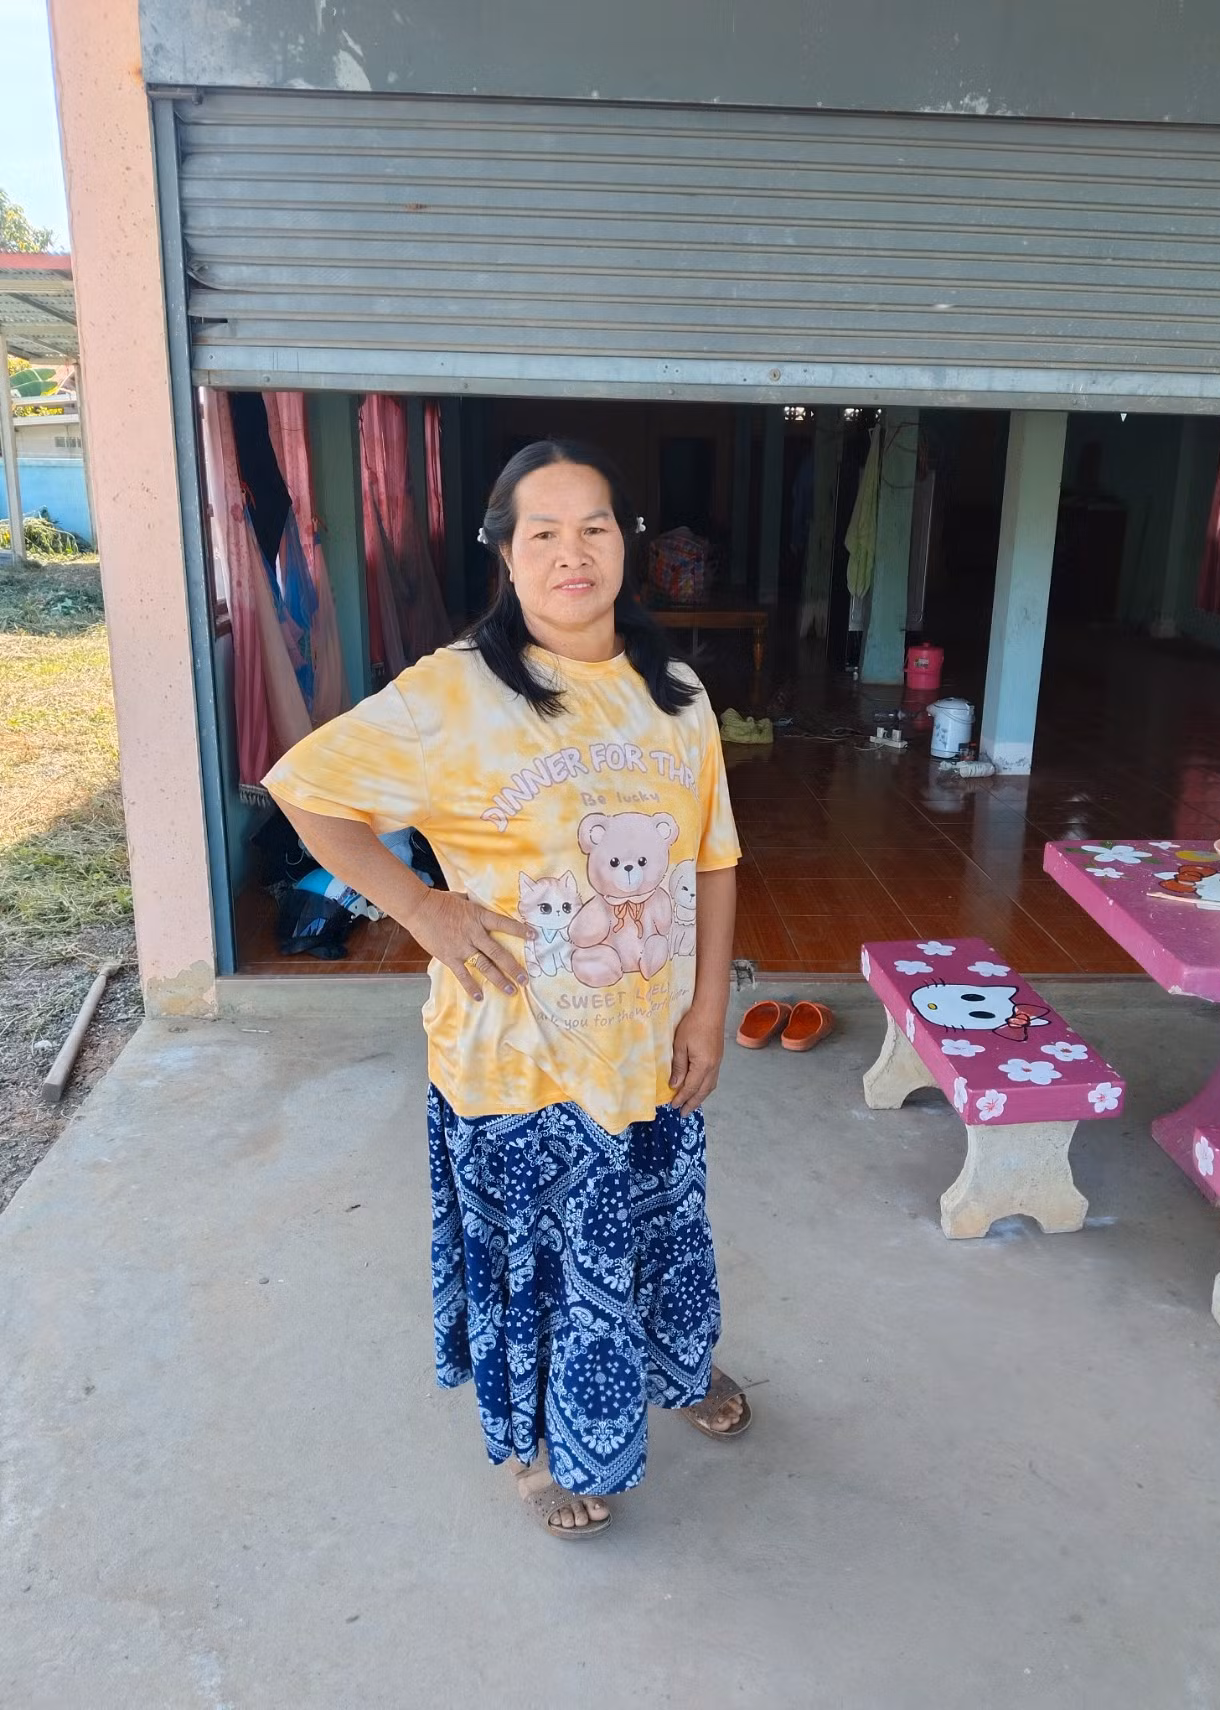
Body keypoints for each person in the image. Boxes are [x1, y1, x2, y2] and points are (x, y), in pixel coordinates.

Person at [264, 440, 750, 1539]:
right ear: (505, 551)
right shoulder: (452, 692)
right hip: (515, 1056)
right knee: (533, 1265)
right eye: (544, 532)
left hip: (644, 1043)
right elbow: (305, 789)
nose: (573, 554)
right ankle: (535, 1451)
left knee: (654, 1227)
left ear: (626, 542)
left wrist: (708, 1009)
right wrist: (420, 907)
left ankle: (674, 1367)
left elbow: (712, 860)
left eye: (595, 528)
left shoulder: (675, 696)